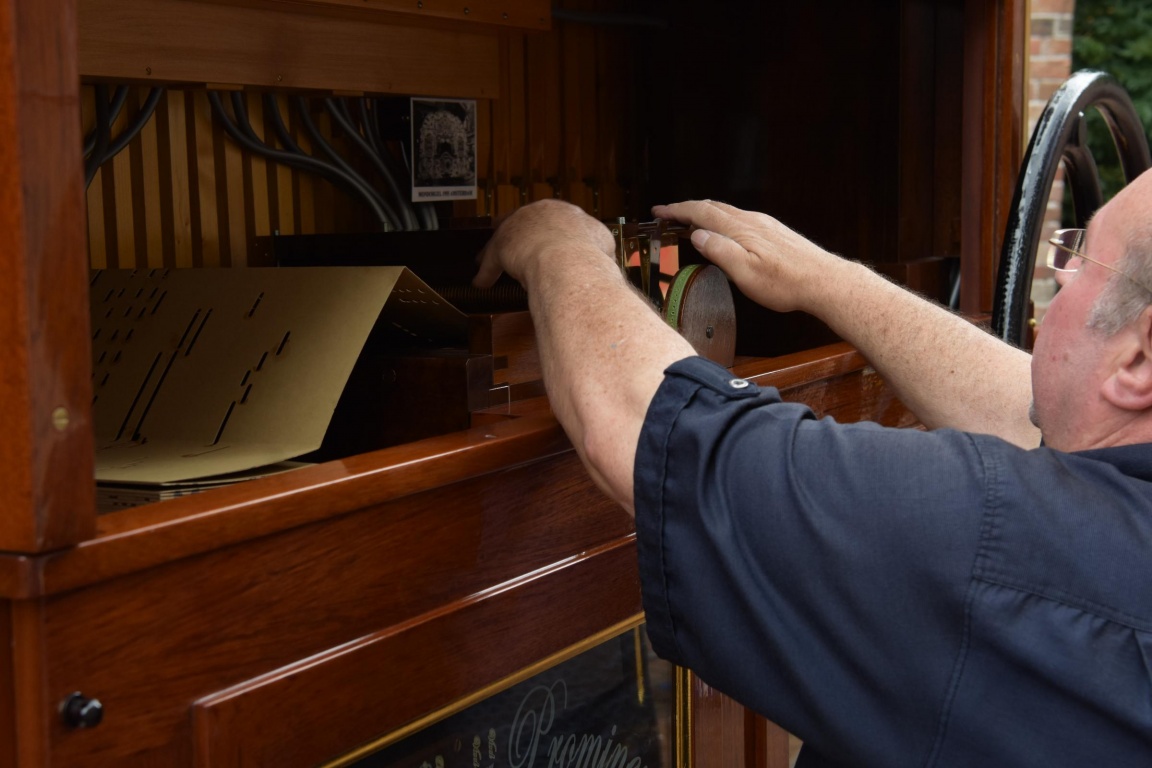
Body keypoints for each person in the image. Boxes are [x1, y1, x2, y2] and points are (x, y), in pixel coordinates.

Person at [473, 170, 1152, 766]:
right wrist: (827, 279)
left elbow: (646, 432)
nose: (1059, 277)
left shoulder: (997, 541)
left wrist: (558, 245)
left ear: (1140, 357)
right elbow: (1029, 407)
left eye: (1080, 257)